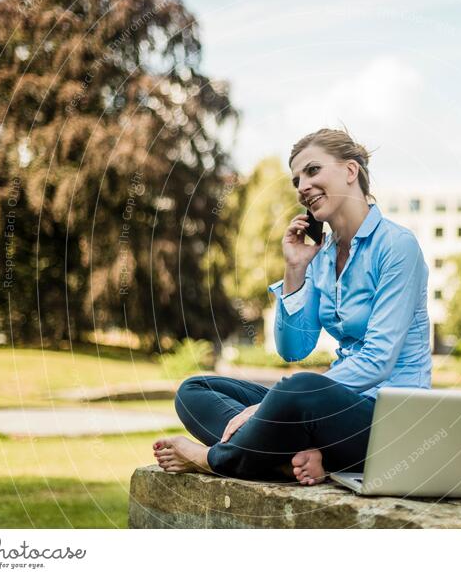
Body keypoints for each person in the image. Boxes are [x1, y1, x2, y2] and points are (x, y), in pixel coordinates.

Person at [153, 128, 432, 485]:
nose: (302, 186)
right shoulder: (323, 256)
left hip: (390, 420)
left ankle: (213, 458)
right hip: (329, 413)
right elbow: (294, 348)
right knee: (195, 392)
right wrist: (295, 269)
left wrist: (261, 410)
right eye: (297, 179)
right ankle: (290, 461)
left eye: (313, 171)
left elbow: (378, 360)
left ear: (350, 171)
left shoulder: (397, 246)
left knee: (297, 389)